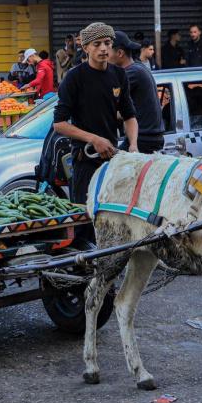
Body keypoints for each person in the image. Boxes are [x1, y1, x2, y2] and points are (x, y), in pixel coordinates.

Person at [53, 22, 137, 247]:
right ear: (86, 47)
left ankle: (108, 268)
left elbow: (129, 115)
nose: (103, 48)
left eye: (107, 43)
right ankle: (84, 273)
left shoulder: (119, 75)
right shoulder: (74, 77)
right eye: (97, 44)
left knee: (115, 218)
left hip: (113, 161)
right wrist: (93, 138)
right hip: (85, 162)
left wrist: (134, 146)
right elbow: (59, 124)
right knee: (85, 222)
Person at [108, 31, 163, 153]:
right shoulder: (137, 68)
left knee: (111, 166)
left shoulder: (131, 73)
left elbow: (108, 101)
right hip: (146, 137)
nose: (104, 52)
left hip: (143, 139)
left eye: (108, 48)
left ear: (120, 53)